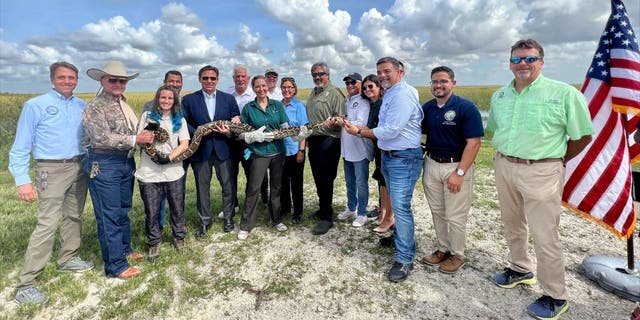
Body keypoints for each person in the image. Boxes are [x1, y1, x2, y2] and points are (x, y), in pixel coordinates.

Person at [486, 39, 594, 319]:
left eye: (529, 59)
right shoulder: (500, 96)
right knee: (512, 223)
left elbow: (583, 135)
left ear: (541, 62)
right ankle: (520, 268)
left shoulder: (564, 93)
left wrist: (556, 160)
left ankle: (555, 295)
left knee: (545, 234)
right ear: (510, 63)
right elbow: (495, 130)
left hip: (543, 170)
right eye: (517, 59)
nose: (523, 64)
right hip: (504, 164)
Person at [9, 61, 93, 304]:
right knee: (47, 223)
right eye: (62, 77)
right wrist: (22, 180)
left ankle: (68, 258)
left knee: (74, 216)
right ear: (52, 79)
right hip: (51, 169)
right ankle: (27, 283)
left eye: (71, 78)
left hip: (79, 166)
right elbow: (21, 146)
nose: (67, 81)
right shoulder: (36, 105)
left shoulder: (81, 105)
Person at [353, 57, 423, 282]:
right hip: (390, 156)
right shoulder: (391, 92)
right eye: (379, 72)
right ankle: (401, 238)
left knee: (401, 207)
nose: (381, 76)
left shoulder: (402, 93)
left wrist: (360, 132)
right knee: (394, 201)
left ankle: (404, 258)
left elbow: (391, 130)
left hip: (403, 157)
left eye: (386, 71)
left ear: (400, 71)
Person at [83, 61, 152, 279]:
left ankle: (124, 249)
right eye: (112, 79)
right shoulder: (96, 106)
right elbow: (101, 137)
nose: (118, 84)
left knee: (123, 209)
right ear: (102, 80)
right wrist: (135, 139)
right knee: (109, 214)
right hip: (105, 163)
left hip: (124, 162)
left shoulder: (123, 103)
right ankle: (116, 266)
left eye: (122, 80)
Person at [420, 66, 483, 274]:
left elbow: (473, 143)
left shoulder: (466, 107)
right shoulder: (428, 108)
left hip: (455, 166)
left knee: (455, 214)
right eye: (434, 82)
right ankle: (442, 249)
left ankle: (457, 254)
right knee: (437, 211)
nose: (438, 85)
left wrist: (460, 172)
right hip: (432, 164)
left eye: (443, 81)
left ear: (453, 83)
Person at [236, 75, 302, 240]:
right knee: (253, 188)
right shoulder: (248, 108)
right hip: (258, 153)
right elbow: (239, 134)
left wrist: (297, 135)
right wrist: (251, 136)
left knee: (276, 188)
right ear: (253, 88)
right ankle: (246, 225)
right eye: (257, 86)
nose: (261, 89)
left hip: (277, 152)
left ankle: (276, 219)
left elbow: (285, 127)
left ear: (268, 87)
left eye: (263, 86)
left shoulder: (277, 105)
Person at [182, 65, 240, 237]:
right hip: (201, 151)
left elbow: (235, 121)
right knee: (202, 188)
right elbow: (185, 124)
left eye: (212, 78)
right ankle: (204, 221)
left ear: (218, 80)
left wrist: (229, 131)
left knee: (228, 187)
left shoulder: (228, 99)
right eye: (205, 78)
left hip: (224, 150)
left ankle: (228, 218)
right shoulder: (189, 99)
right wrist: (198, 132)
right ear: (200, 79)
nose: (209, 81)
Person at [135, 85, 190, 260]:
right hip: (149, 171)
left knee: (177, 206)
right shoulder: (147, 117)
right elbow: (142, 140)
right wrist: (151, 130)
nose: (166, 101)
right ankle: (154, 241)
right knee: (152, 209)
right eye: (163, 97)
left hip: (173, 170)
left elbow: (184, 144)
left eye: (170, 98)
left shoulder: (179, 120)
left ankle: (179, 236)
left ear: (175, 101)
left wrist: (168, 158)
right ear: (157, 99)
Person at [344, 74, 394, 233]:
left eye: (370, 86)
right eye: (365, 87)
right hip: (376, 147)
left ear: (379, 87)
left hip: (384, 148)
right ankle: (383, 211)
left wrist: (354, 128)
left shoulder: (381, 104)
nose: (367, 89)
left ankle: (385, 216)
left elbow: (368, 127)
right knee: (381, 181)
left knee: (384, 183)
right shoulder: (369, 103)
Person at [306, 62, 346, 235]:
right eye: (314, 75)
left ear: (328, 74)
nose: (317, 77)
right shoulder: (313, 93)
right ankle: (322, 209)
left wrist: (334, 122)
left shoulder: (334, 93)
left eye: (321, 74)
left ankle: (327, 218)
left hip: (329, 141)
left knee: (326, 178)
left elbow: (341, 118)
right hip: (314, 140)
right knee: (317, 177)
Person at [142, 70, 184, 229]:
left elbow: (185, 131)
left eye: (178, 81)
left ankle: (179, 226)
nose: (174, 84)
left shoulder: (182, 104)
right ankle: (158, 225)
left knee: (176, 193)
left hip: (178, 155)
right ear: (164, 82)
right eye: (171, 81)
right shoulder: (149, 109)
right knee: (157, 195)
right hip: (155, 158)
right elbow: (145, 135)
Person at [336, 72, 373, 228]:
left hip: (360, 149)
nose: (350, 85)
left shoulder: (363, 102)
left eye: (353, 82)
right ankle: (352, 207)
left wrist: (342, 121)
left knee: (361, 182)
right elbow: (348, 119)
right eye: (347, 83)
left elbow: (360, 123)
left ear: (360, 84)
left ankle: (363, 212)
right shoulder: (348, 99)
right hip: (347, 149)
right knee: (350, 181)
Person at [226, 64, 259, 217]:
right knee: (230, 174)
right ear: (233, 78)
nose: (240, 79)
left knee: (250, 172)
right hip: (230, 143)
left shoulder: (255, 95)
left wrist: (242, 119)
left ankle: (249, 203)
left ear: (248, 78)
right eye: (237, 76)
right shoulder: (227, 94)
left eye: (243, 76)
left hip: (248, 144)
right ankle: (233, 205)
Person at [280, 77, 308, 224]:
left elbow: (304, 130)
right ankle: (285, 208)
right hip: (281, 151)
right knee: (283, 182)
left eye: (290, 87)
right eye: (284, 87)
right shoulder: (279, 106)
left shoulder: (299, 106)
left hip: (295, 150)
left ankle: (297, 212)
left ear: (294, 89)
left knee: (296, 183)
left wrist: (301, 150)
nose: (287, 90)